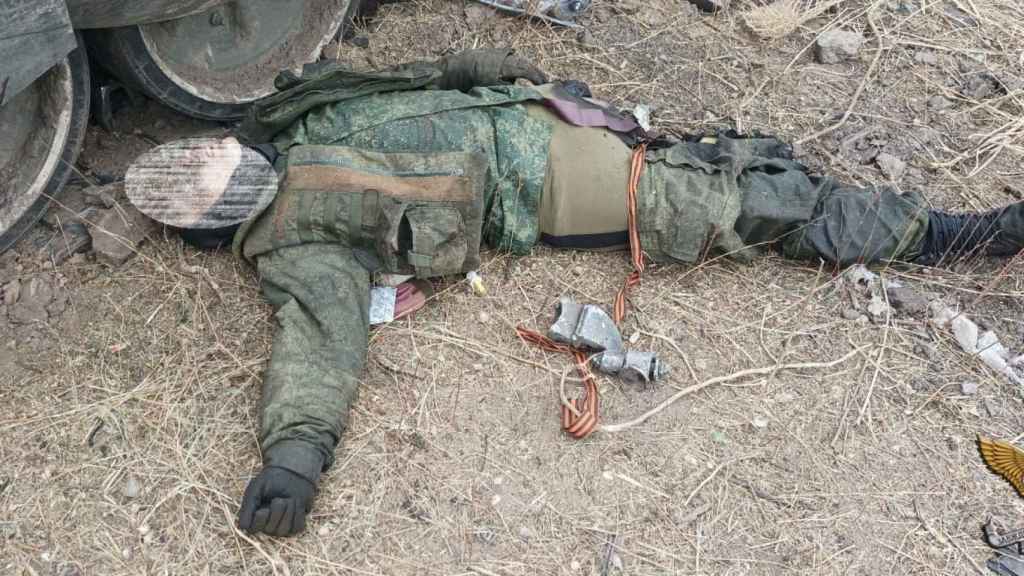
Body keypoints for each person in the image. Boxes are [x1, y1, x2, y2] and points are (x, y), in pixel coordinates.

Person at [124, 49, 1024, 537]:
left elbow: (412, 76)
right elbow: (320, 344)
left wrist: (491, 72)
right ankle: (954, 235)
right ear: (213, 227)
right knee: (771, 206)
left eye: (210, 160)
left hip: (555, 114)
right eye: (209, 187)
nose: (222, 163)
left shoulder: (303, 118)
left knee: (749, 157)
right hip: (587, 195)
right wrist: (295, 458)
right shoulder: (296, 245)